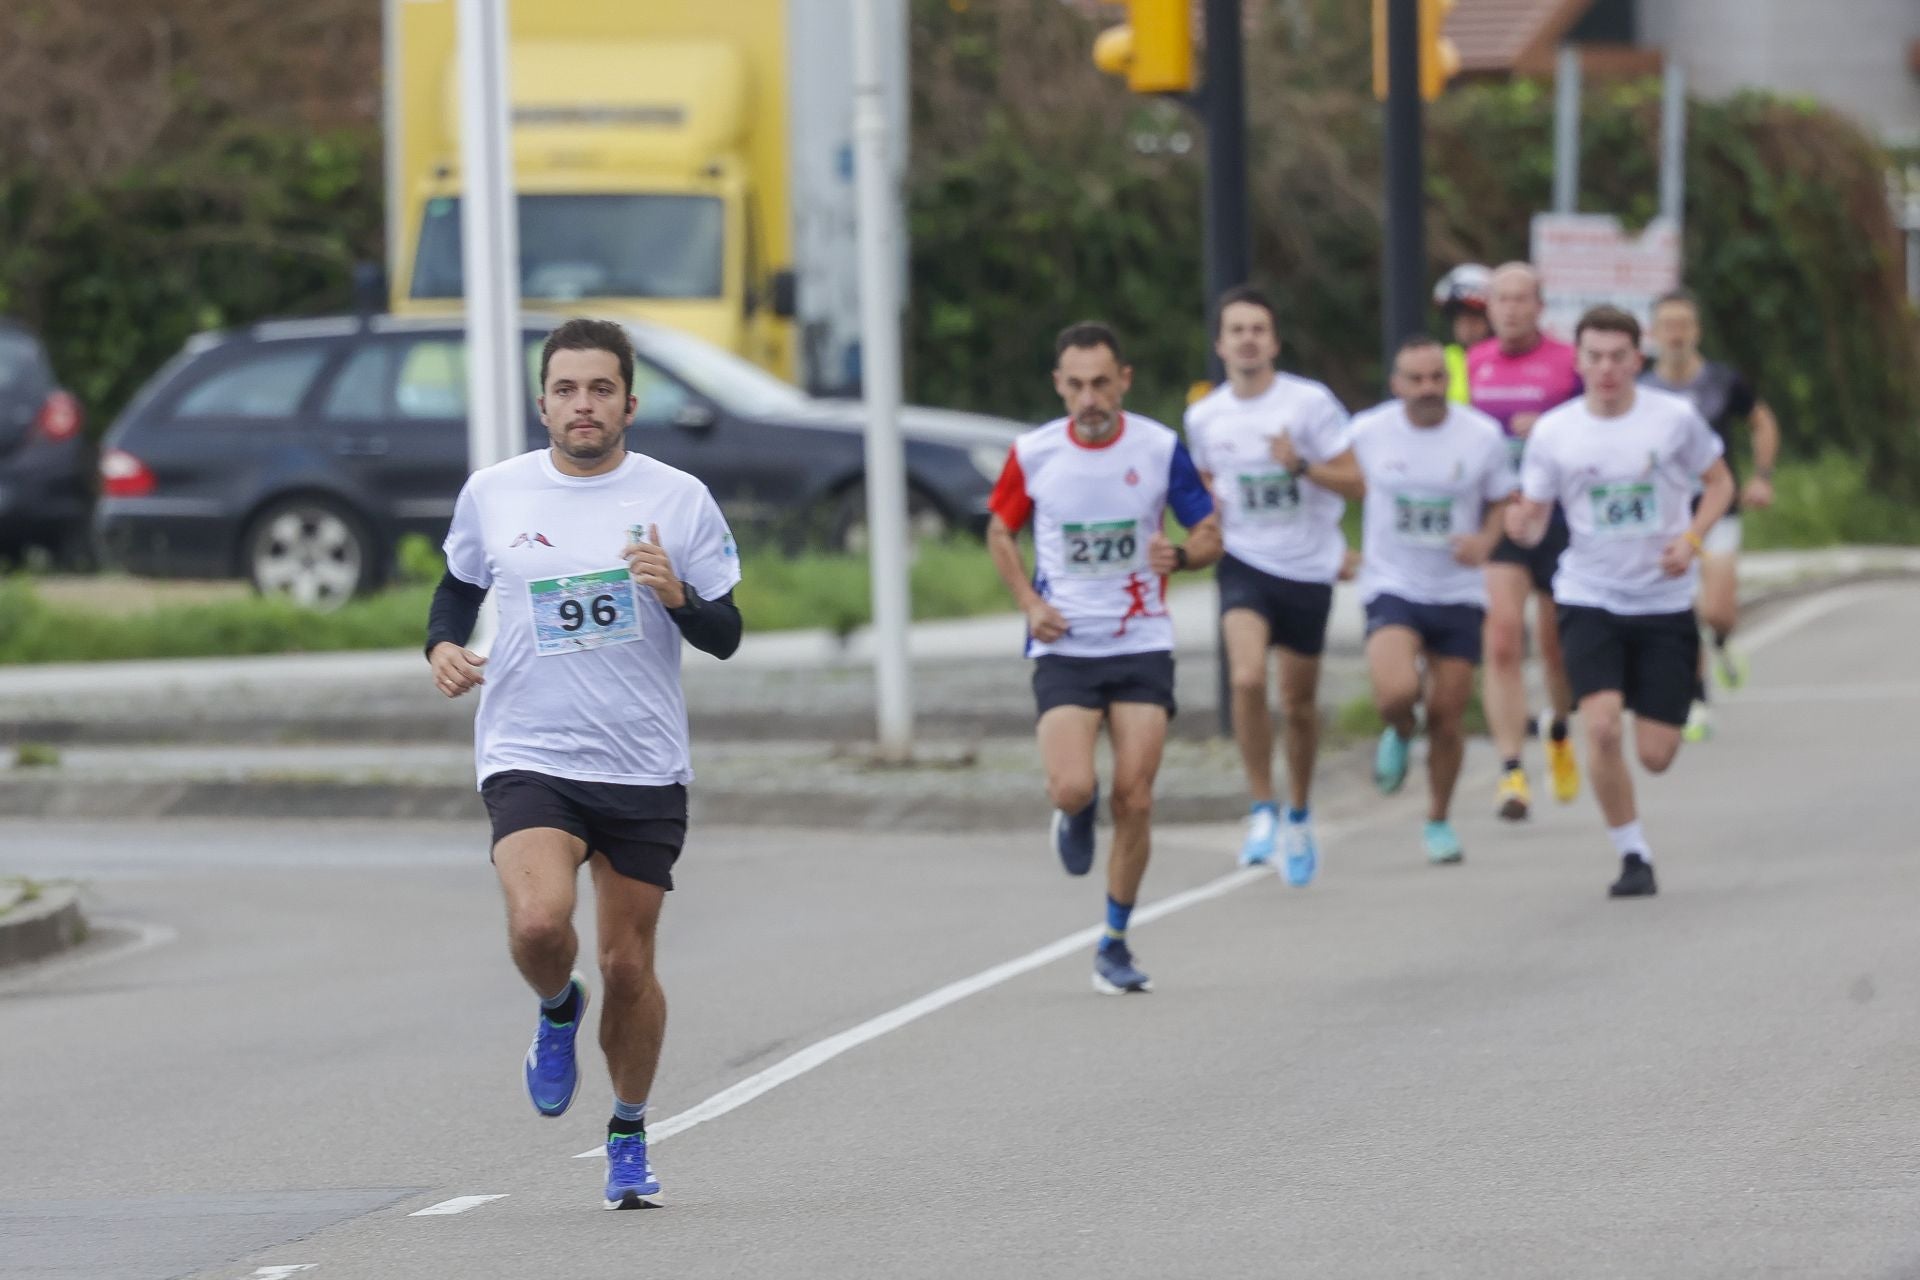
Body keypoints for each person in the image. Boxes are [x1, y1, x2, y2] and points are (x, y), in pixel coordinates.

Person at [425, 317, 744, 1209]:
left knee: (630, 968)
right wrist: (442, 646)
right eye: (567, 390)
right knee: (537, 925)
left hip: (642, 763)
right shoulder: (496, 493)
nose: (584, 405)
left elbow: (726, 633)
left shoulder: (679, 499)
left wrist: (677, 596)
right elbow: (457, 585)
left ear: (630, 403)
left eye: (601, 389)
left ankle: (630, 1131)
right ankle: (556, 1008)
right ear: (543, 403)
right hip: (530, 749)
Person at [986, 321, 1221, 994]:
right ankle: (1074, 812)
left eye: (1101, 383)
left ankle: (1114, 941)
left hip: (1142, 640)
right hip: (1066, 643)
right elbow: (1000, 530)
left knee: (1137, 797)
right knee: (1074, 785)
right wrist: (1030, 603)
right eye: (1076, 385)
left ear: (1124, 380)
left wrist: (1184, 554)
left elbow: (1208, 531)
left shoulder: (1158, 447)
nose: (1090, 398)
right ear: (1060, 386)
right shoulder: (1032, 453)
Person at [1506, 305, 1733, 898]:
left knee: (1656, 754)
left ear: (1638, 359)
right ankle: (1632, 854)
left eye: (1617, 357)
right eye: (1594, 357)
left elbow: (1720, 482)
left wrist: (1692, 539)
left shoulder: (1673, 420)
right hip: (1589, 594)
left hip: (1663, 601)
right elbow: (1532, 519)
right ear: (1577, 361)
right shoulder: (1555, 432)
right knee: (1602, 727)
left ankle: (1650, 686)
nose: (1606, 368)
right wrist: (1521, 525)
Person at [1184, 285, 1364, 882]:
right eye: (1237, 330)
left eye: (1258, 329)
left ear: (1275, 341)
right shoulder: (1205, 415)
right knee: (1245, 676)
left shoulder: (1309, 404)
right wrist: (1198, 531)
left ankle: (1299, 812)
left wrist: (1301, 466)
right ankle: (1261, 807)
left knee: (1299, 704)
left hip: (1307, 566)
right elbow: (1203, 488)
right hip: (1244, 563)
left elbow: (1357, 481)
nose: (1248, 339)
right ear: (1220, 344)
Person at [1351, 337, 1512, 864]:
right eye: (1415, 380)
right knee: (1397, 692)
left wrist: (1486, 542)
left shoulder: (1480, 435)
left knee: (1447, 713)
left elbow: (1501, 502)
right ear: (1396, 384)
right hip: (1392, 582)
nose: (1427, 389)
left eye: (1435, 378)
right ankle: (1398, 729)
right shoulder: (1368, 431)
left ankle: (1438, 820)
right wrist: (1330, 549)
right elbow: (1328, 483)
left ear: (1449, 380)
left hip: (1457, 589)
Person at [1640, 288, 1782, 741]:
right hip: (1667, 516)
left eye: (1684, 324)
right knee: (1685, 610)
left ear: (1696, 331)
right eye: (1668, 325)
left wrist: (1762, 475)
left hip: (1718, 508)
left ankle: (1721, 641)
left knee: (1717, 612)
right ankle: (1697, 699)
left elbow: (1761, 421)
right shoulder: (1641, 388)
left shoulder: (1724, 381)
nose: (1676, 334)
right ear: (1654, 332)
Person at [1469, 262, 1583, 822]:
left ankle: (1558, 729)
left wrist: (1551, 426)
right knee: (1503, 640)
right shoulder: (1472, 365)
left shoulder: (1569, 362)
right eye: (1501, 300)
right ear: (1489, 308)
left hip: (1561, 519)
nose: (1511, 309)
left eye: (1521, 299)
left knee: (1555, 643)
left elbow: (1596, 425)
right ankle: (1511, 769)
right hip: (1503, 515)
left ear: (1541, 306)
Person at [1432, 264, 1493, 404]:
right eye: (1459, 318)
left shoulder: (1508, 360)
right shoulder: (1442, 359)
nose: (1466, 327)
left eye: (1474, 318)